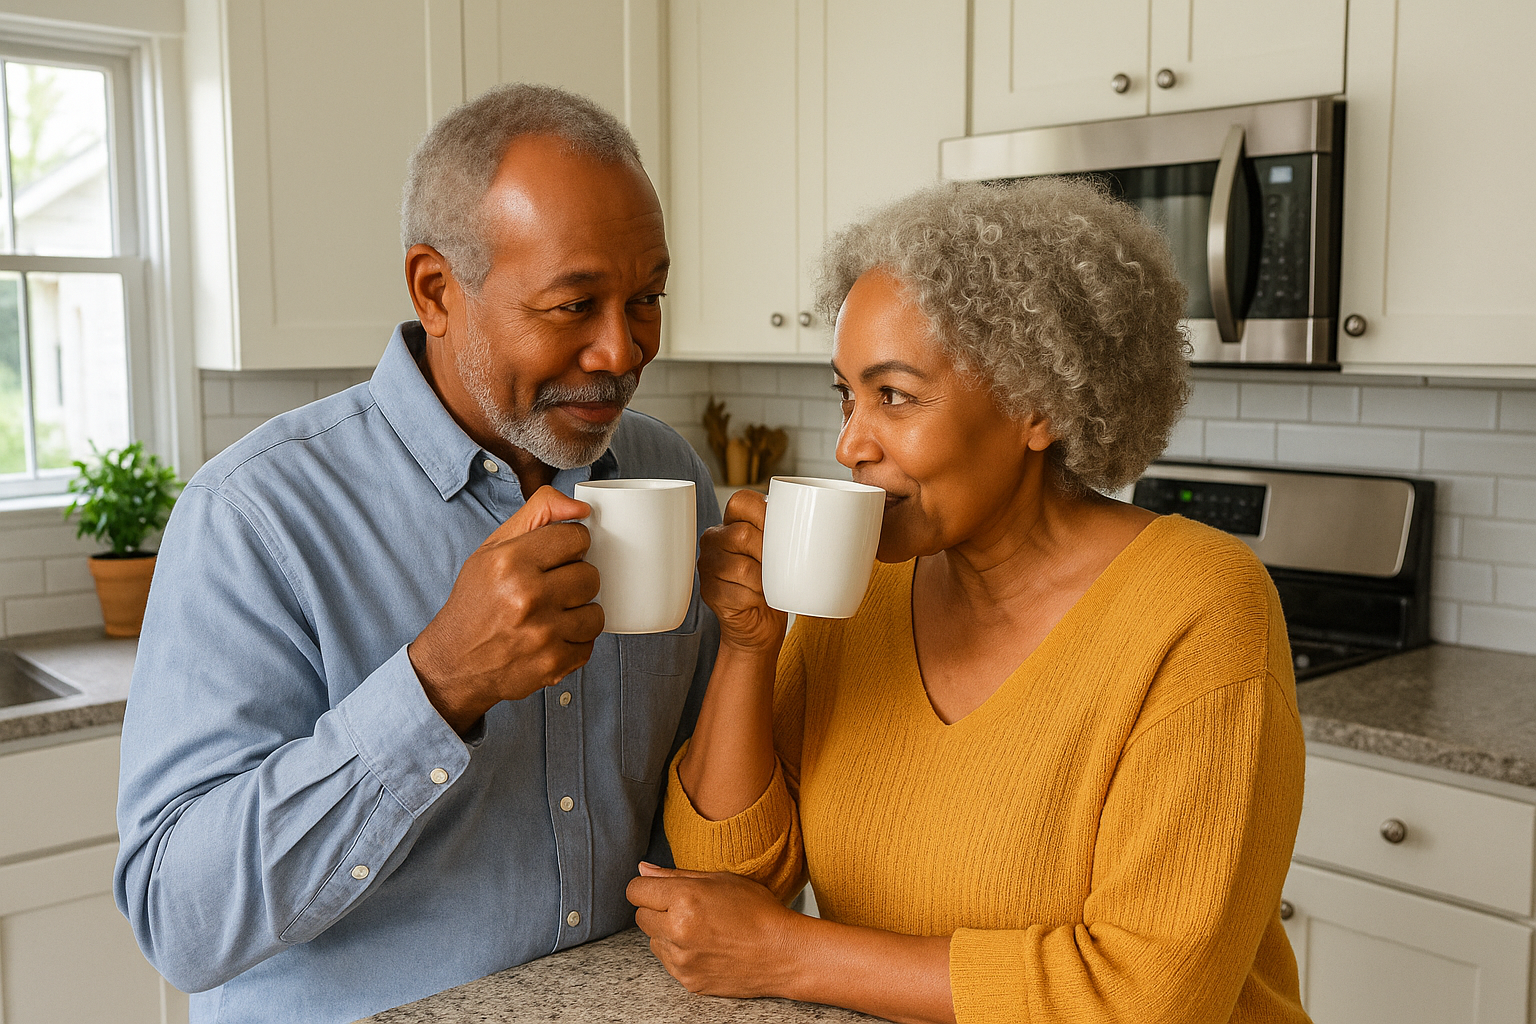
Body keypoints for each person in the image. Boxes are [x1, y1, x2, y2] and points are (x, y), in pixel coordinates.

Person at [628, 178, 1310, 1024]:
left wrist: (791, 953)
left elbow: (1147, 996)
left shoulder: (1200, 607)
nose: (850, 443)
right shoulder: (869, 585)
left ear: (1035, 405)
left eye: (896, 397)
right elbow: (729, 884)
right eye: (846, 394)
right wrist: (748, 643)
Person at [114, 84, 719, 1024]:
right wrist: (439, 683)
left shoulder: (666, 472)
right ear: (437, 289)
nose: (623, 349)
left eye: (646, 299)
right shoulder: (256, 514)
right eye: (574, 304)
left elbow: (697, 807)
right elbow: (179, 920)